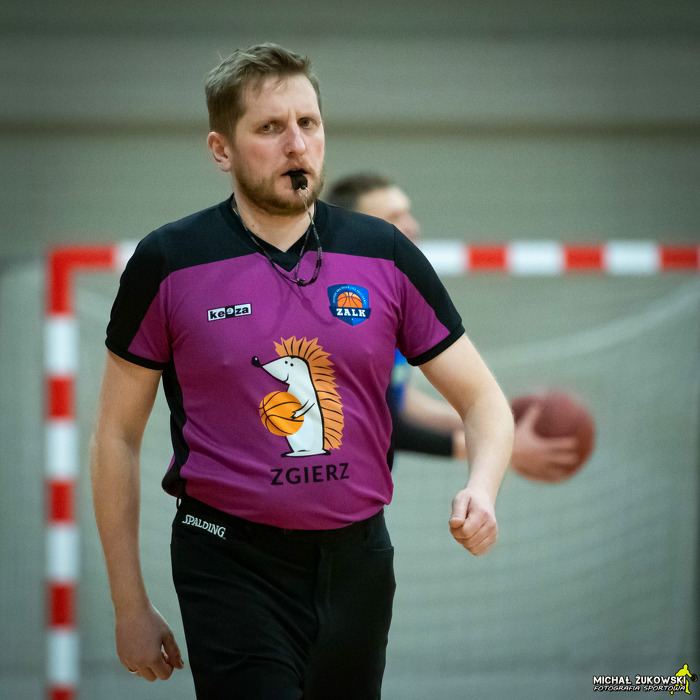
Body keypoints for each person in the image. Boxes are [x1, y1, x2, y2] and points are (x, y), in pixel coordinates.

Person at [90, 43, 514, 700]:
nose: (297, 144)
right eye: (270, 127)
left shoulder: (384, 253)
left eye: (308, 123)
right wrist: (129, 604)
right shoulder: (170, 261)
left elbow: (483, 400)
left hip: (359, 563)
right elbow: (115, 436)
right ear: (221, 149)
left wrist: (482, 490)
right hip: (228, 560)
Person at [326, 173, 580, 473]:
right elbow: (377, 421)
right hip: (331, 486)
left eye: (408, 213)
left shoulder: (395, 294)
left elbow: (396, 400)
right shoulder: (344, 308)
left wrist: (489, 420)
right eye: (394, 217)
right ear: (356, 230)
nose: (412, 226)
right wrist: (498, 447)